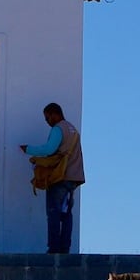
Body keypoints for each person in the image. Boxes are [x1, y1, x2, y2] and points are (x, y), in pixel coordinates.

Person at [20, 103, 85, 254]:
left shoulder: (58, 129)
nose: (47, 121)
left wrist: (28, 149)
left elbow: (49, 149)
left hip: (60, 178)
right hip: (73, 178)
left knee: (53, 212)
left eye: (47, 117)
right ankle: (65, 248)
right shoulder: (73, 130)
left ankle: (54, 248)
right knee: (66, 214)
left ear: (54, 114)